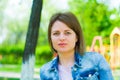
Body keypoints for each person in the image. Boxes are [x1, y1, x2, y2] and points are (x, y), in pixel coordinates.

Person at [40, 12, 113, 80]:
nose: (61, 38)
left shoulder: (96, 60)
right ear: (50, 38)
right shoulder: (45, 71)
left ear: (76, 37)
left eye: (67, 33)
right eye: (56, 33)